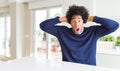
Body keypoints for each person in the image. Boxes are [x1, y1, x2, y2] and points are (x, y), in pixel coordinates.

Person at [40, 5, 119, 66]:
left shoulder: (93, 31)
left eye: (79, 20)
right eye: (73, 21)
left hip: (89, 68)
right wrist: (62, 19)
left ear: (84, 21)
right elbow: (43, 26)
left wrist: (93, 18)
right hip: (69, 68)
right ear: (69, 22)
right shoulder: (62, 32)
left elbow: (114, 25)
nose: (76, 24)